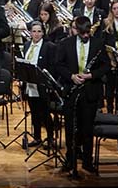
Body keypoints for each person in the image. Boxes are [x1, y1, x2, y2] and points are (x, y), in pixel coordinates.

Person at [55, 15, 108, 175]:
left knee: (87, 128)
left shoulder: (98, 44)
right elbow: (58, 64)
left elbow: (106, 66)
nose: (86, 35)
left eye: (87, 32)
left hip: (90, 90)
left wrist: (91, 75)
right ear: (76, 30)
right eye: (83, 32)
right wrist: (71, 76)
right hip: (72, 90)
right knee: (70, 128)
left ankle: (87, 161)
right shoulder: (66, 44)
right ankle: (70, 160)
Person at [21, 20, 56, 148]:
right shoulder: (26, 45)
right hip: (30, 84)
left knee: (45, 112)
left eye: (39, 31)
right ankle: (37, 137)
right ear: (30, 33)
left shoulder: (49, 46)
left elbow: (52, 67)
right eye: (34, 31)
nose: (36, 34)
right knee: (34, 111)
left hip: (42, 85)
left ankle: (51, 137)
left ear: (43, 33)